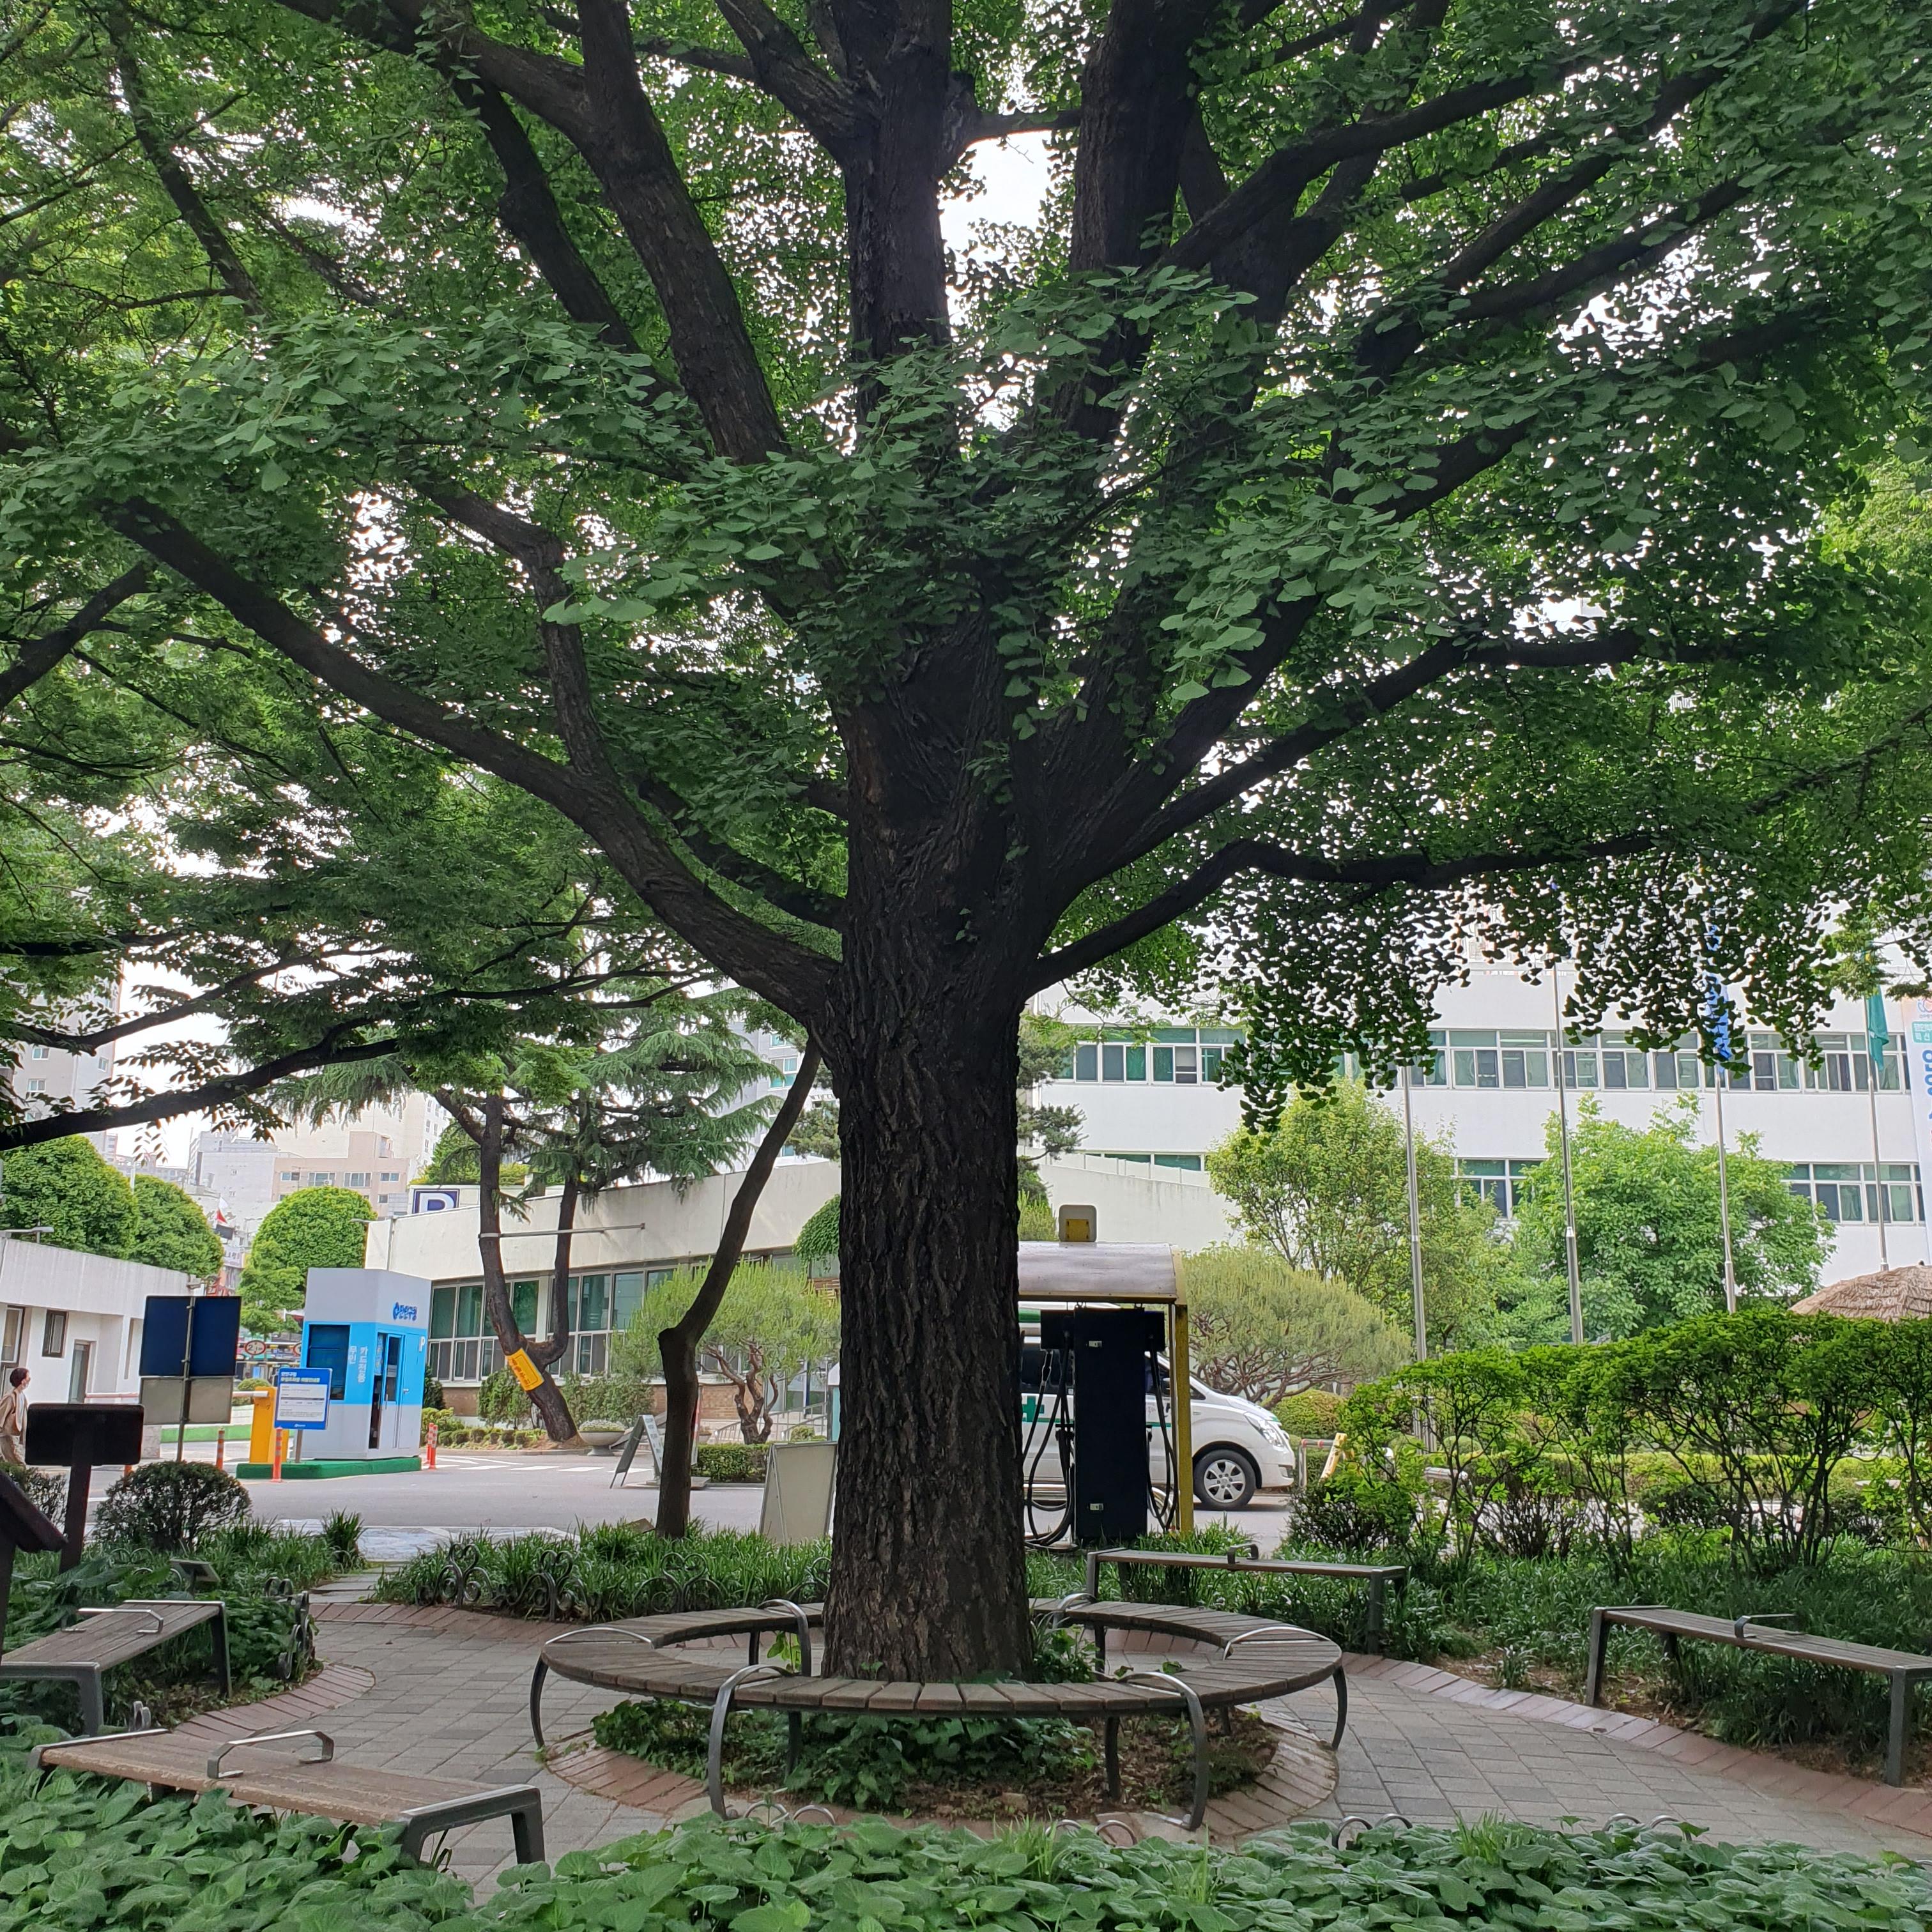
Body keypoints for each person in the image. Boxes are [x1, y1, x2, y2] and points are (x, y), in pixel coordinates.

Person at [0, 1365, 27, 1467]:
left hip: (16, 1436)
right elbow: (1, 1415)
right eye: (27, 1378)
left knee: (14, 1464)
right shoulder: (11, 1397)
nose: (29, 1380)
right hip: (7, 1436)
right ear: (22, 1381)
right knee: (19, 1464)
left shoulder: (22, 1396)